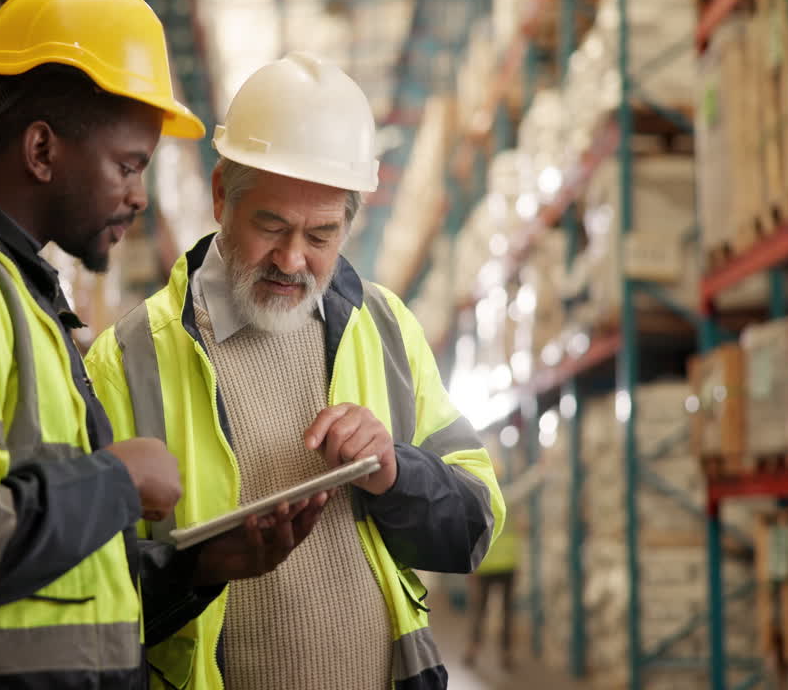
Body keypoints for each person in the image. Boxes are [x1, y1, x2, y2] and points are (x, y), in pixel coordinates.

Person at [0, 0, 320, 688]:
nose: (139, 196)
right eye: (127, 165)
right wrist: (118, 479)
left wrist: (201, 566)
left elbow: (61, 605)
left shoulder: (19, 300)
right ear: (42, 149)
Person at [86, 52, 506, 690]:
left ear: (349, 222)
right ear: (223, 196)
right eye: (271, 226)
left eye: (321, 236)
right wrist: (201, 568)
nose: (291, 259)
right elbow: (87, 594)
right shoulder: (130, 358)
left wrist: (395, 471)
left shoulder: (386, 328)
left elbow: (473, 526)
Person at [463, 459, 521, 670]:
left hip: (485, 565)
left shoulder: (479, 500)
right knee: (506, 611)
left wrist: (471, 568)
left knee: (480, 609)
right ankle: (506, 653)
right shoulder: (509, 498)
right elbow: (526, 487)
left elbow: (471, 537)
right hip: (507, 565)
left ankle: (473, 649)